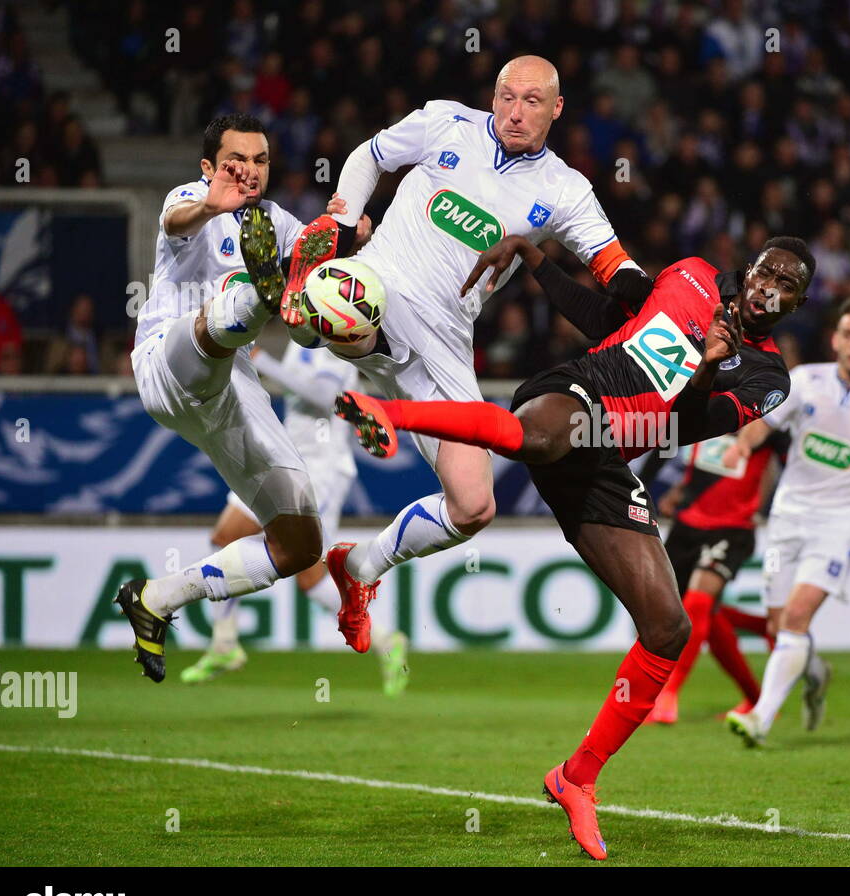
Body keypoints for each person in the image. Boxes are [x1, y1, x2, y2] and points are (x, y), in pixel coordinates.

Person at [335, 232, 813, 859]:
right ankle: (389, 412)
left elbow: (681, 427)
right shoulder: (689, 274)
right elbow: (605, 316)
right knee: (538, 439)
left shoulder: (767, 377)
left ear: (796, 304)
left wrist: (701, 370)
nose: (769, 290)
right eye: (765, 273)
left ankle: (577, 777)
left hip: (607, 455)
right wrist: (536, 258)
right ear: (746, 270)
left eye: (786, 287)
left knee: (668, 628)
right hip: (574, 391)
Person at [288, 55, 642, 653]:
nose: (515, 111)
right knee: (347, 305)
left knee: (475, 505)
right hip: (378, 286)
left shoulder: (564, 189)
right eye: (507, 96)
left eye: (532, 101)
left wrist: (653, 294)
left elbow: (616, 269)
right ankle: (311, 297)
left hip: (447, 343)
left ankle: (358, 569)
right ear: (493, 94)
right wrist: (344, 228)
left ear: (556, 109)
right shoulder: (445, 123)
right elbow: (367, 157)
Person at [114, 112, 364, 681]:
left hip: (231, 388)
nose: (248, 172)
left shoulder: (276, 221)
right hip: (167, 362)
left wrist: (357, 237)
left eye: (259, 161)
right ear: (208, 167)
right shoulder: (190, 199)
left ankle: (156, 598)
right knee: (220, 317)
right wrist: (211, 203)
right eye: (235, 161)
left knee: (301, 541)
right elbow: (177, 221)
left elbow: (324, 243)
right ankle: (263, 297)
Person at [725, 297, 850, 746]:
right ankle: (816, 675)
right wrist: (742, 444)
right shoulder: (804, 380)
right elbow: (765, 423)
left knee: (796, 616)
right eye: (848, 334)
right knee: (779, 627)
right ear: (835, 340)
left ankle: (761, 719)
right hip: (788, 516)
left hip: (843, 523)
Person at [179, 335, 409, 693]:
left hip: (321, 470)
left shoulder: (338, 339)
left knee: (311, 578)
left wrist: (261, 361)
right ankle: (224, 644)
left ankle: (385, 640)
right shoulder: (301, 337)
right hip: (283, 457)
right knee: (225, 536)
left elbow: (325, 398)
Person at [641, 428, 785, 725]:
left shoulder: (766, 424)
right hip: (687, 526)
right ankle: (756, 695)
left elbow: (795, 464)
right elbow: (667, 443)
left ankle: (668, 695)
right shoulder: (706, 409)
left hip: (733, 529)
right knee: (685, 614)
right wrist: (644, 491)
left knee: (698, 601)